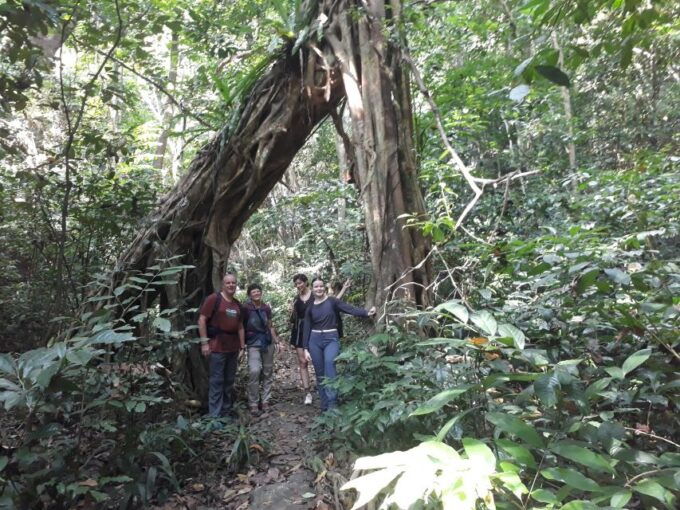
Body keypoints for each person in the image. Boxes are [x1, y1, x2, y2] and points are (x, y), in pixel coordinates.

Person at [302, 276, 375, 411]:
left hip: (331, 338)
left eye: (321, 286)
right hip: (314, 340)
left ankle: (332, 404)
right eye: (316, 286)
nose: (319, 288)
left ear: (324, 288)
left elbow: (350, 309)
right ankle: (324, 406)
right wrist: (305, 348)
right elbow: (306, 328)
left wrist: (366, 312)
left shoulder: (332, 301)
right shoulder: (310, 307)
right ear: (312, 289)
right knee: (319, 373)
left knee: (330, 365)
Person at [290, 273, 350, 405]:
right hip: (302, 330)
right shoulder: (296, 299)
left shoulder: (316, 294)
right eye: (296, 283)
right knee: (304, 362)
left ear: (306, 283)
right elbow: (294, 318)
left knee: (328, 364)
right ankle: (309, 393)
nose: (298, 285)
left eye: (300, 282)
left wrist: (344, 289)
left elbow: (332, 302)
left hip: (319, 331)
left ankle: (331, 399)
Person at [198, 272, 245, 418]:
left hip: (233, 347)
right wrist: (204, 342)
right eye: (228, 283)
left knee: (229, 380)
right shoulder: (214, 299)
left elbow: (240, 327)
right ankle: (215, 416)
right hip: (217, 346)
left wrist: (242, 347)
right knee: (217, 380)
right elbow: (201, 320)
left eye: (233, 283)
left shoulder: (237, 304)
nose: (231, 285)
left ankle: (225, 412)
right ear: (223, 285)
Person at [242, 283, 283, 415]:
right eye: (253, 292)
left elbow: (270, 326)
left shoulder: (266, 308)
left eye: (258, 291)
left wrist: (277, 341)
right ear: (249, 294)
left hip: (267, 342)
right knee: (254, 370)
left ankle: (265, 400)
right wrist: (241, 345)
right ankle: (253, 402)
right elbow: (241, 327)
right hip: (253, 343)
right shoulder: (245, 308)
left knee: (267, 371)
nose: (256, 294)